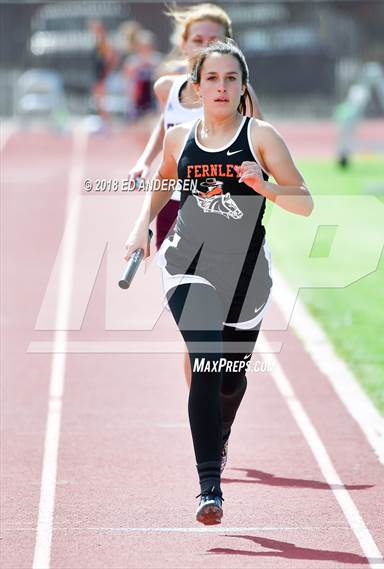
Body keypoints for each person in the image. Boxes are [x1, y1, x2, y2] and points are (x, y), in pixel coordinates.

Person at [124, 39, 313, 525]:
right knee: (206, 362)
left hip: (247, 276)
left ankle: (219, 430)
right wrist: (141, 225)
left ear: (243, 86)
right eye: (212, 78)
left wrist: (264, 186)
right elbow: (164, 180)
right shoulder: (178, 138)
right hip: (187, 264)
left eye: (231, 79)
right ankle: (210, 487)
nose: (222, 87)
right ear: (196, 86)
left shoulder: (261, 136)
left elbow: (304, 201)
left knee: (230, 377)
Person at [128, 3, 263, 387]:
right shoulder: (167, 87)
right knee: (197, 333)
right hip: (177, 217)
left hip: (226, 219)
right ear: (184, 44)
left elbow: (261, 142)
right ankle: (202, 412)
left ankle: (216, 408)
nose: (205, 45)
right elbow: (165, 124)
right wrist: (144, 160)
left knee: (220, 328)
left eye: (214, 39)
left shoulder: (239, 92)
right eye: (198, 39)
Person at [90, 20, 118, 121]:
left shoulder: (103, 41)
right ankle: (104, 122)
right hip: (98, 76)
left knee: (102, 102)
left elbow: (113, 57)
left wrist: (106, 72)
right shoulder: (97, 41)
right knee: (98, 102)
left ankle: (107, 123)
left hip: (102, 76)